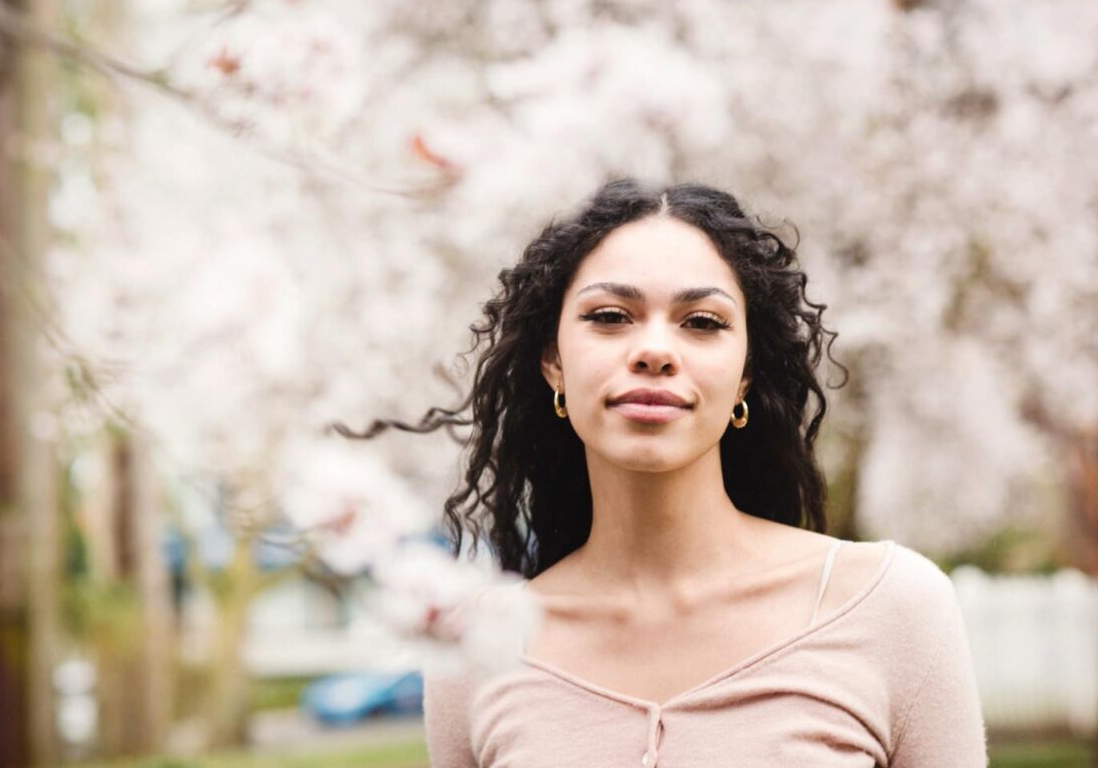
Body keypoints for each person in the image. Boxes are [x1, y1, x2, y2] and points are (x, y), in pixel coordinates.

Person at [347, 178, 987, 766]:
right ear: (554, 363)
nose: (654, 350)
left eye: (702, 323)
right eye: (609, 317)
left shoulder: (890, 606)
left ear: (745, 374)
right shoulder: (477, 649)